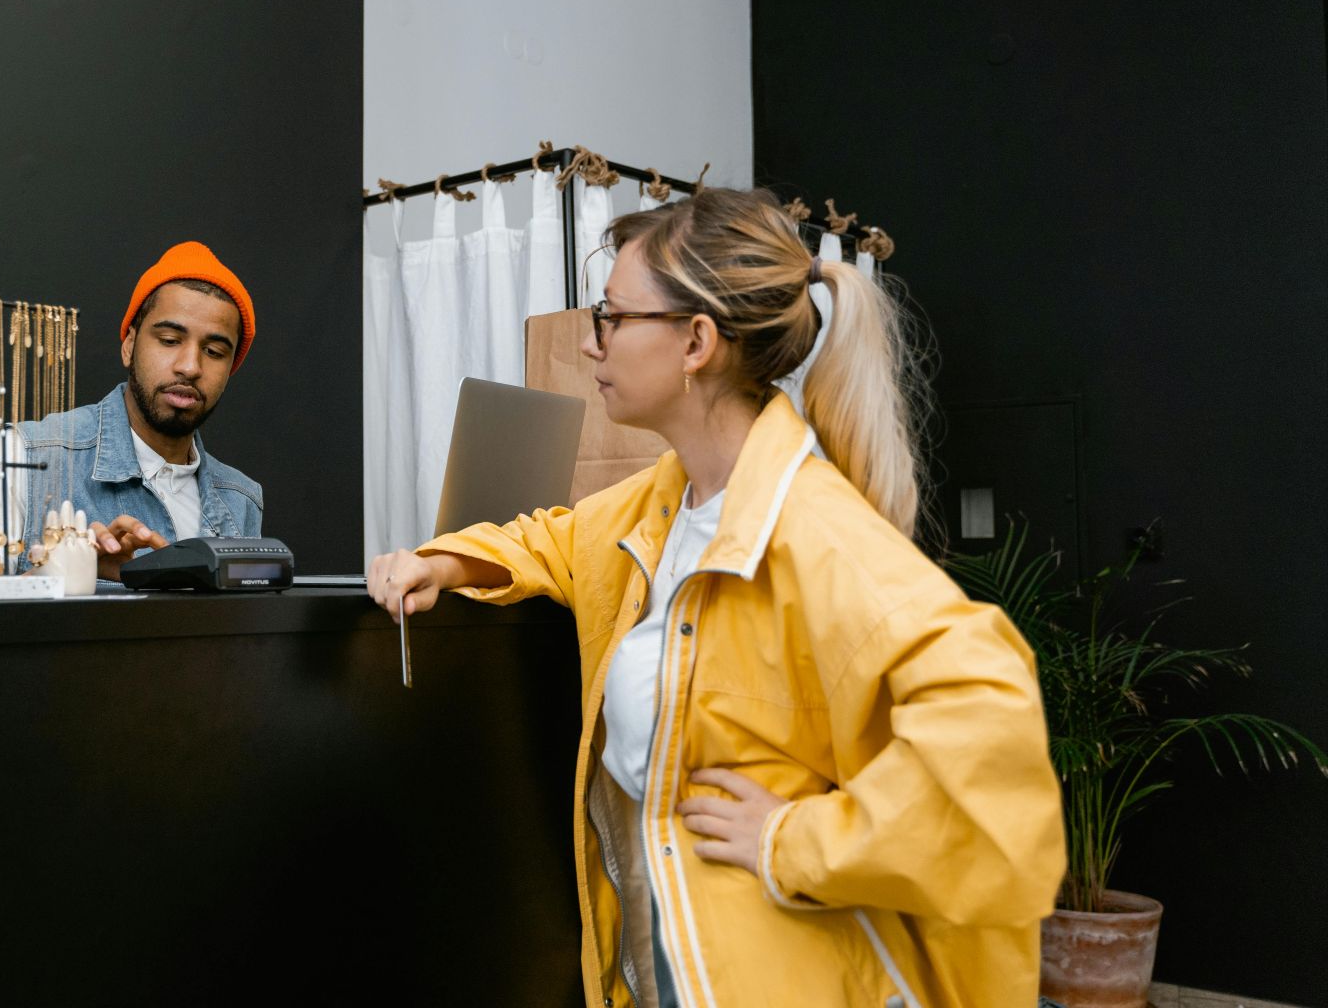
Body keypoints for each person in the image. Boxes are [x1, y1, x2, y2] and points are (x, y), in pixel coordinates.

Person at [369, 187, 1064, 1007]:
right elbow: (559, 540)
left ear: (695, 341)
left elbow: (994, 774)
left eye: (613, 317)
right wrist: (446, 563)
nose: (594, 344)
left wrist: (796, 840)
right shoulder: (666, 503)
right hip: (678, 964)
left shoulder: (815, 535)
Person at [0, 241, 263, 579]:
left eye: (213, 351)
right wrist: (55, 575)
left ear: (230, 369)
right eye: (169, 340)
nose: (190, 366)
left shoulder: (240, 500)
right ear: (129, 345)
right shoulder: (25, 456)